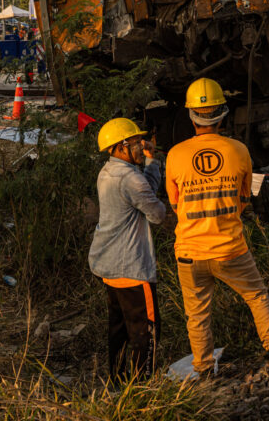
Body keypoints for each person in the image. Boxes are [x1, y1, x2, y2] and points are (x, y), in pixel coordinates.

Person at [166, 78, 269, 379]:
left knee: (197, 316)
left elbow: (175, 204)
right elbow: (243, 198)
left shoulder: (175, 155)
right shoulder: (238, 151)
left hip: (188, 251)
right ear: (222, 114)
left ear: (191, 116)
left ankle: (204, 374)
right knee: (257, 296)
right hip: (229, 248)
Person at [88, 117, 166, 382]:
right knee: (145, 333)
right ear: (121, 146)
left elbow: (143, 191)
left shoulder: (108, 171)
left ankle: (119, 383)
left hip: (107, 264)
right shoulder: (131, 178)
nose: (140, 146)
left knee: (119, 329)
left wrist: (151, 162)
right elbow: (156, 213)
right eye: (135, 143)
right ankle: (144, 388)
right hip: (131, 268)